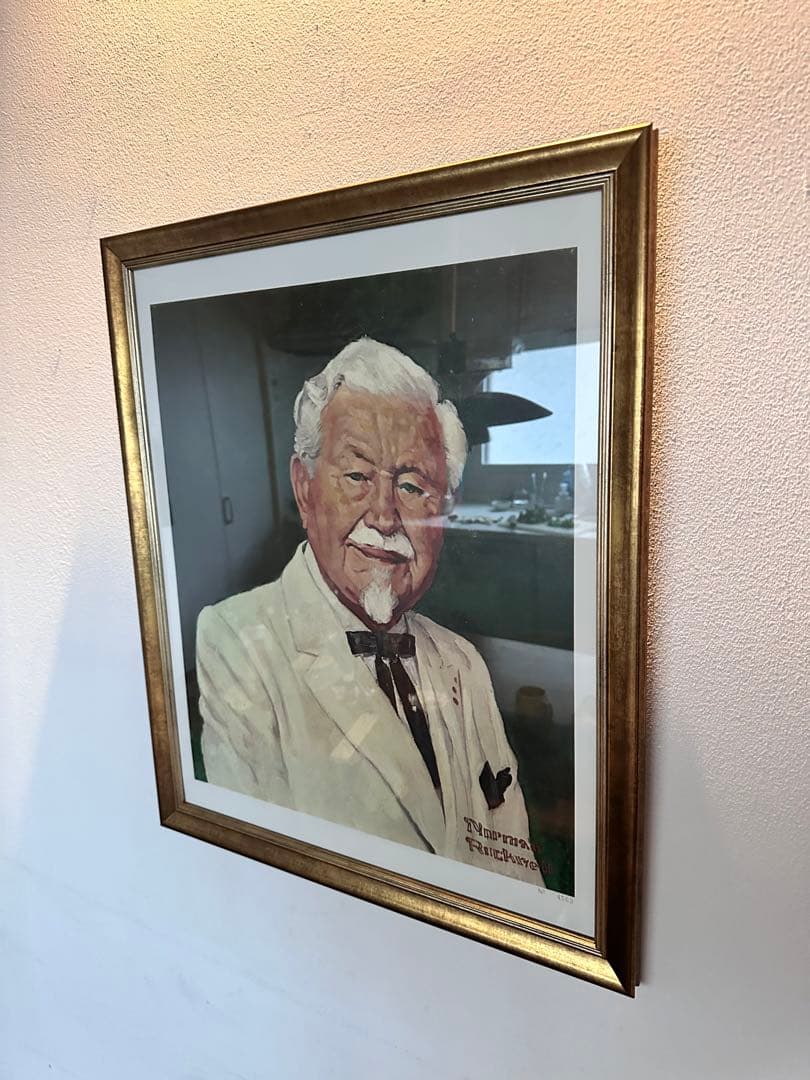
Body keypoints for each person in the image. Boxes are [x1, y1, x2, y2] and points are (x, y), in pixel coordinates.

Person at [196, 337, 543, 884]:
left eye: (412, 486)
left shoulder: (463, 662)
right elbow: (262, 884)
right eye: (357, 477)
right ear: (304, 489)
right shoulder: (235, 640)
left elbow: (515, 864)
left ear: (444, 513)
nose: (384, 516)